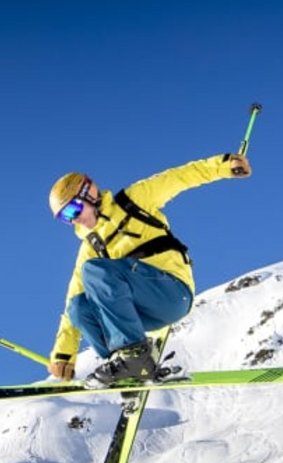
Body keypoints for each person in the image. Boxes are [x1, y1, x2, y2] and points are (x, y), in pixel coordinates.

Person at [46, 153, 252, 387]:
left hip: (171, 291)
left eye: (72, 210)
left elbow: (179, 177)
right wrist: (64, 353)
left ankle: (134, 356)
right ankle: (126, 365)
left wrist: (223, 166)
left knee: (96, 271)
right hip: (141, 314)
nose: (73, 220)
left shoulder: (133, 200)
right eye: (64, 218)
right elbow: (73, 300)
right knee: (79, 307)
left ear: (89, 193)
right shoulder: (91, 247)